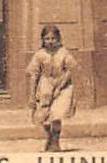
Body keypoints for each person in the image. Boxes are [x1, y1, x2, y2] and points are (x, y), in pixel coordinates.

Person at [27, 24, 77, 152]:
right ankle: (49, 136)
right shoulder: (40, 55)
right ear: (43, 40)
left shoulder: (63, 53)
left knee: (56, 114)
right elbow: (34, 75)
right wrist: (32, 96)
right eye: (47, 39)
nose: (50, 42)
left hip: (63, 86)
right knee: (44, 117)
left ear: (58, 39)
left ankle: (55, 141)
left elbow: (70, 71)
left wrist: (60, 86)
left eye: (53, 39)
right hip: (45, 87)